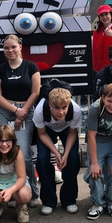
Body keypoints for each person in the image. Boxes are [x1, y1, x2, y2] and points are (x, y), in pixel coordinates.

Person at [0, 34, 42, 207]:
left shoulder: (31, 66)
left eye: (13, 47)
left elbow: (35, 92)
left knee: (23, 154)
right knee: (4, 151)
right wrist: (15, 111)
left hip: (26, 110)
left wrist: (23, 111)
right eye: (6, 48)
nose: (10, 50)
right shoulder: (0, 69)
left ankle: (33, 193)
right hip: (4, 111)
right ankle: (9, 193)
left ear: (20, 46)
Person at [33, 87, 82, 215]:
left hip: (67, 129)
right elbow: (42, 134)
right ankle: (48, 201)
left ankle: (69, 199)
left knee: (73, 160)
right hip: (47, 129)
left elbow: (72, 132)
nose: (61, 112)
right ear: (50, 105)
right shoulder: (39, 110)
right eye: (57, 108)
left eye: (64, 107)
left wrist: (65, 154)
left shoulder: (75, 109)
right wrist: (56, 152)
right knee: (42, 161)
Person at [84, 83, 112, 219]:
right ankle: (98, 203)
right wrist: (95, 163)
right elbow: (91, 136)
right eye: (109, 101)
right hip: (97, 141)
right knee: (95, 172)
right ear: (103, 98)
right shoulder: (95, 108)